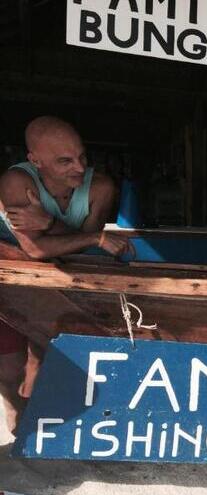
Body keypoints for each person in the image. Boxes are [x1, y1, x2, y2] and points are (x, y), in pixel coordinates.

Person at [0, 115, 131, 434]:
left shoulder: (101, 187)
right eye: (64, 161)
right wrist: (92, 238)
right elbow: (35, 249)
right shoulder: (15, 182)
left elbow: (79, 254)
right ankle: (15, 411)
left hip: (56, 279)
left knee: (43, 356)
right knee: (10, 365)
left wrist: (47, 223)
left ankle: (31, 422)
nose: (79, 167)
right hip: (8, 278)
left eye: (82, 156)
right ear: (35, 161)